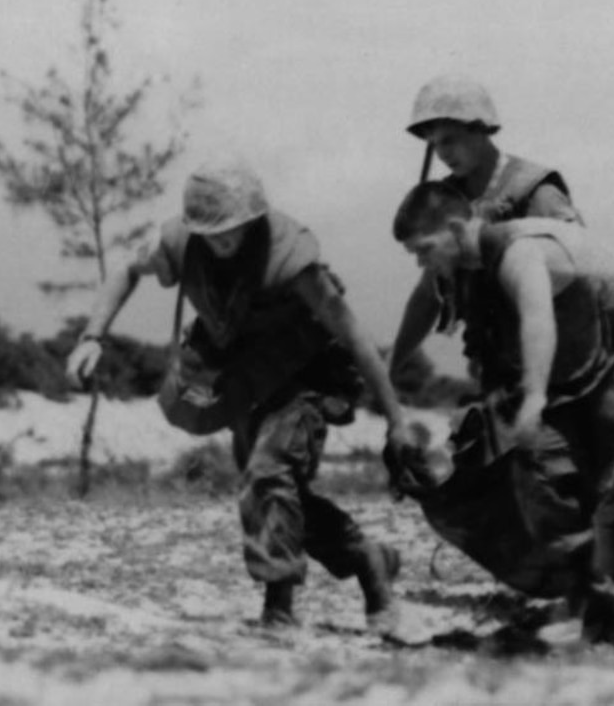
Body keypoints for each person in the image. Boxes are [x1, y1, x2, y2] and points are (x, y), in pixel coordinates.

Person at [65, 158, 420, 634]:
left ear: (254, 219)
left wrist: (396, 420)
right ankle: (369, 561)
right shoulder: (177, 243)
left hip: (305, 379)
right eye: (211, 232)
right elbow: (125, 271)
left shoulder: (291, 258)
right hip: (242, 381)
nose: (222, 240)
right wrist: (92, 335)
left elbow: (355, 336)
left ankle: (279, 608)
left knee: (269, 476)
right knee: (275, 494)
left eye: (232, 229)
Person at [390, 180, 614, 660]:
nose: (423, 263)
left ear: (453, 228)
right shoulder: (474, 264)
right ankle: (592, 605)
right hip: (585, 372)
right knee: (539, 470)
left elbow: (537, 319)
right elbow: (427, 306)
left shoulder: (518, 252)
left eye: (424, 250)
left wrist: (533, 397)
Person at [391, 74, 583, 389]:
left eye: (449, 139)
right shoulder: (446, 199)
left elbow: (584, 270)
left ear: (480, 129)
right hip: (497, 371)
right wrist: (390, 367)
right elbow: (429, 294)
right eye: (435, 144)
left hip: (563, 370)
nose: (442, 154)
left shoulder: (533, 189)